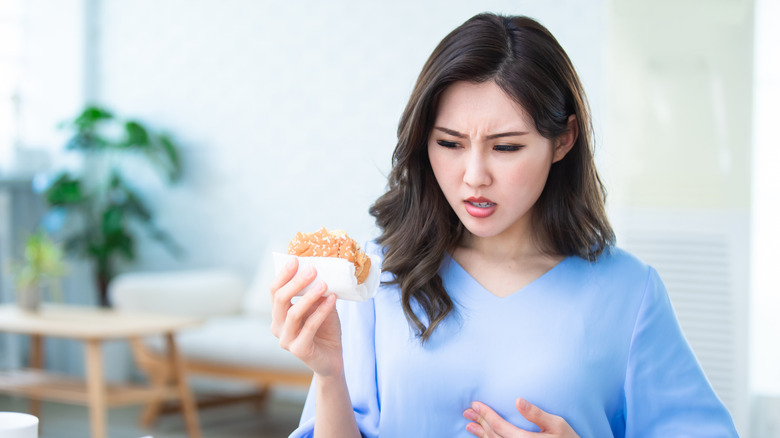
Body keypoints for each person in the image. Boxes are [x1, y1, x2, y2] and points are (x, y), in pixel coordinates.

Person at [270, 12, 739, 438]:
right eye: (450, 144)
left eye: (506, 147)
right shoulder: (378, 273)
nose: (474, 176)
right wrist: (329, 375)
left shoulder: (629, 293)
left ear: (563, 141)